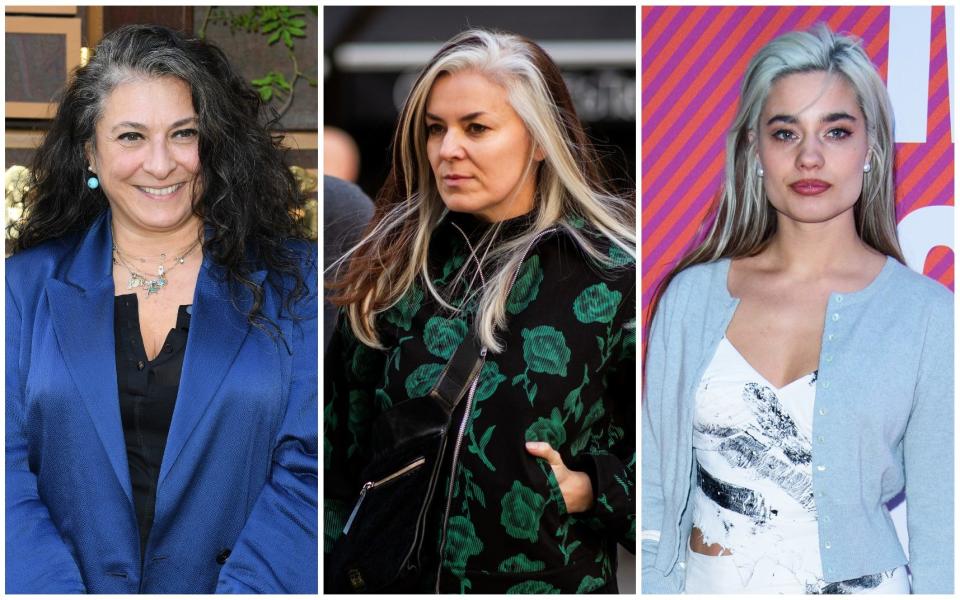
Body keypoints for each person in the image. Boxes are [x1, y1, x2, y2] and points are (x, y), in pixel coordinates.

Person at [641, 24, 953, 594]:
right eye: (785, 132)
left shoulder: (928, 315)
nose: (809, 157)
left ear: (871, 149)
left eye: (836, 131)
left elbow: (942, 530)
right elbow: (656, 495)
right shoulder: (689, 298)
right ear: (755, 149)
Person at [6, 25, 318, 593]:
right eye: (130, 136)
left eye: (184, 134)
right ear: (89, 152)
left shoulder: (298, 285)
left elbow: (312, 469)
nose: (160, 163)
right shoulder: (21, 289)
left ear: (216, 143)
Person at [324, 28, 636, 593]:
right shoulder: (391, 269)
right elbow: (334, 465)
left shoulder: (612, 278)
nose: (448, 150)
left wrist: (593, 486)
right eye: (434, 129)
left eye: (477, 128)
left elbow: (677, 465)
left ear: (540, 140)